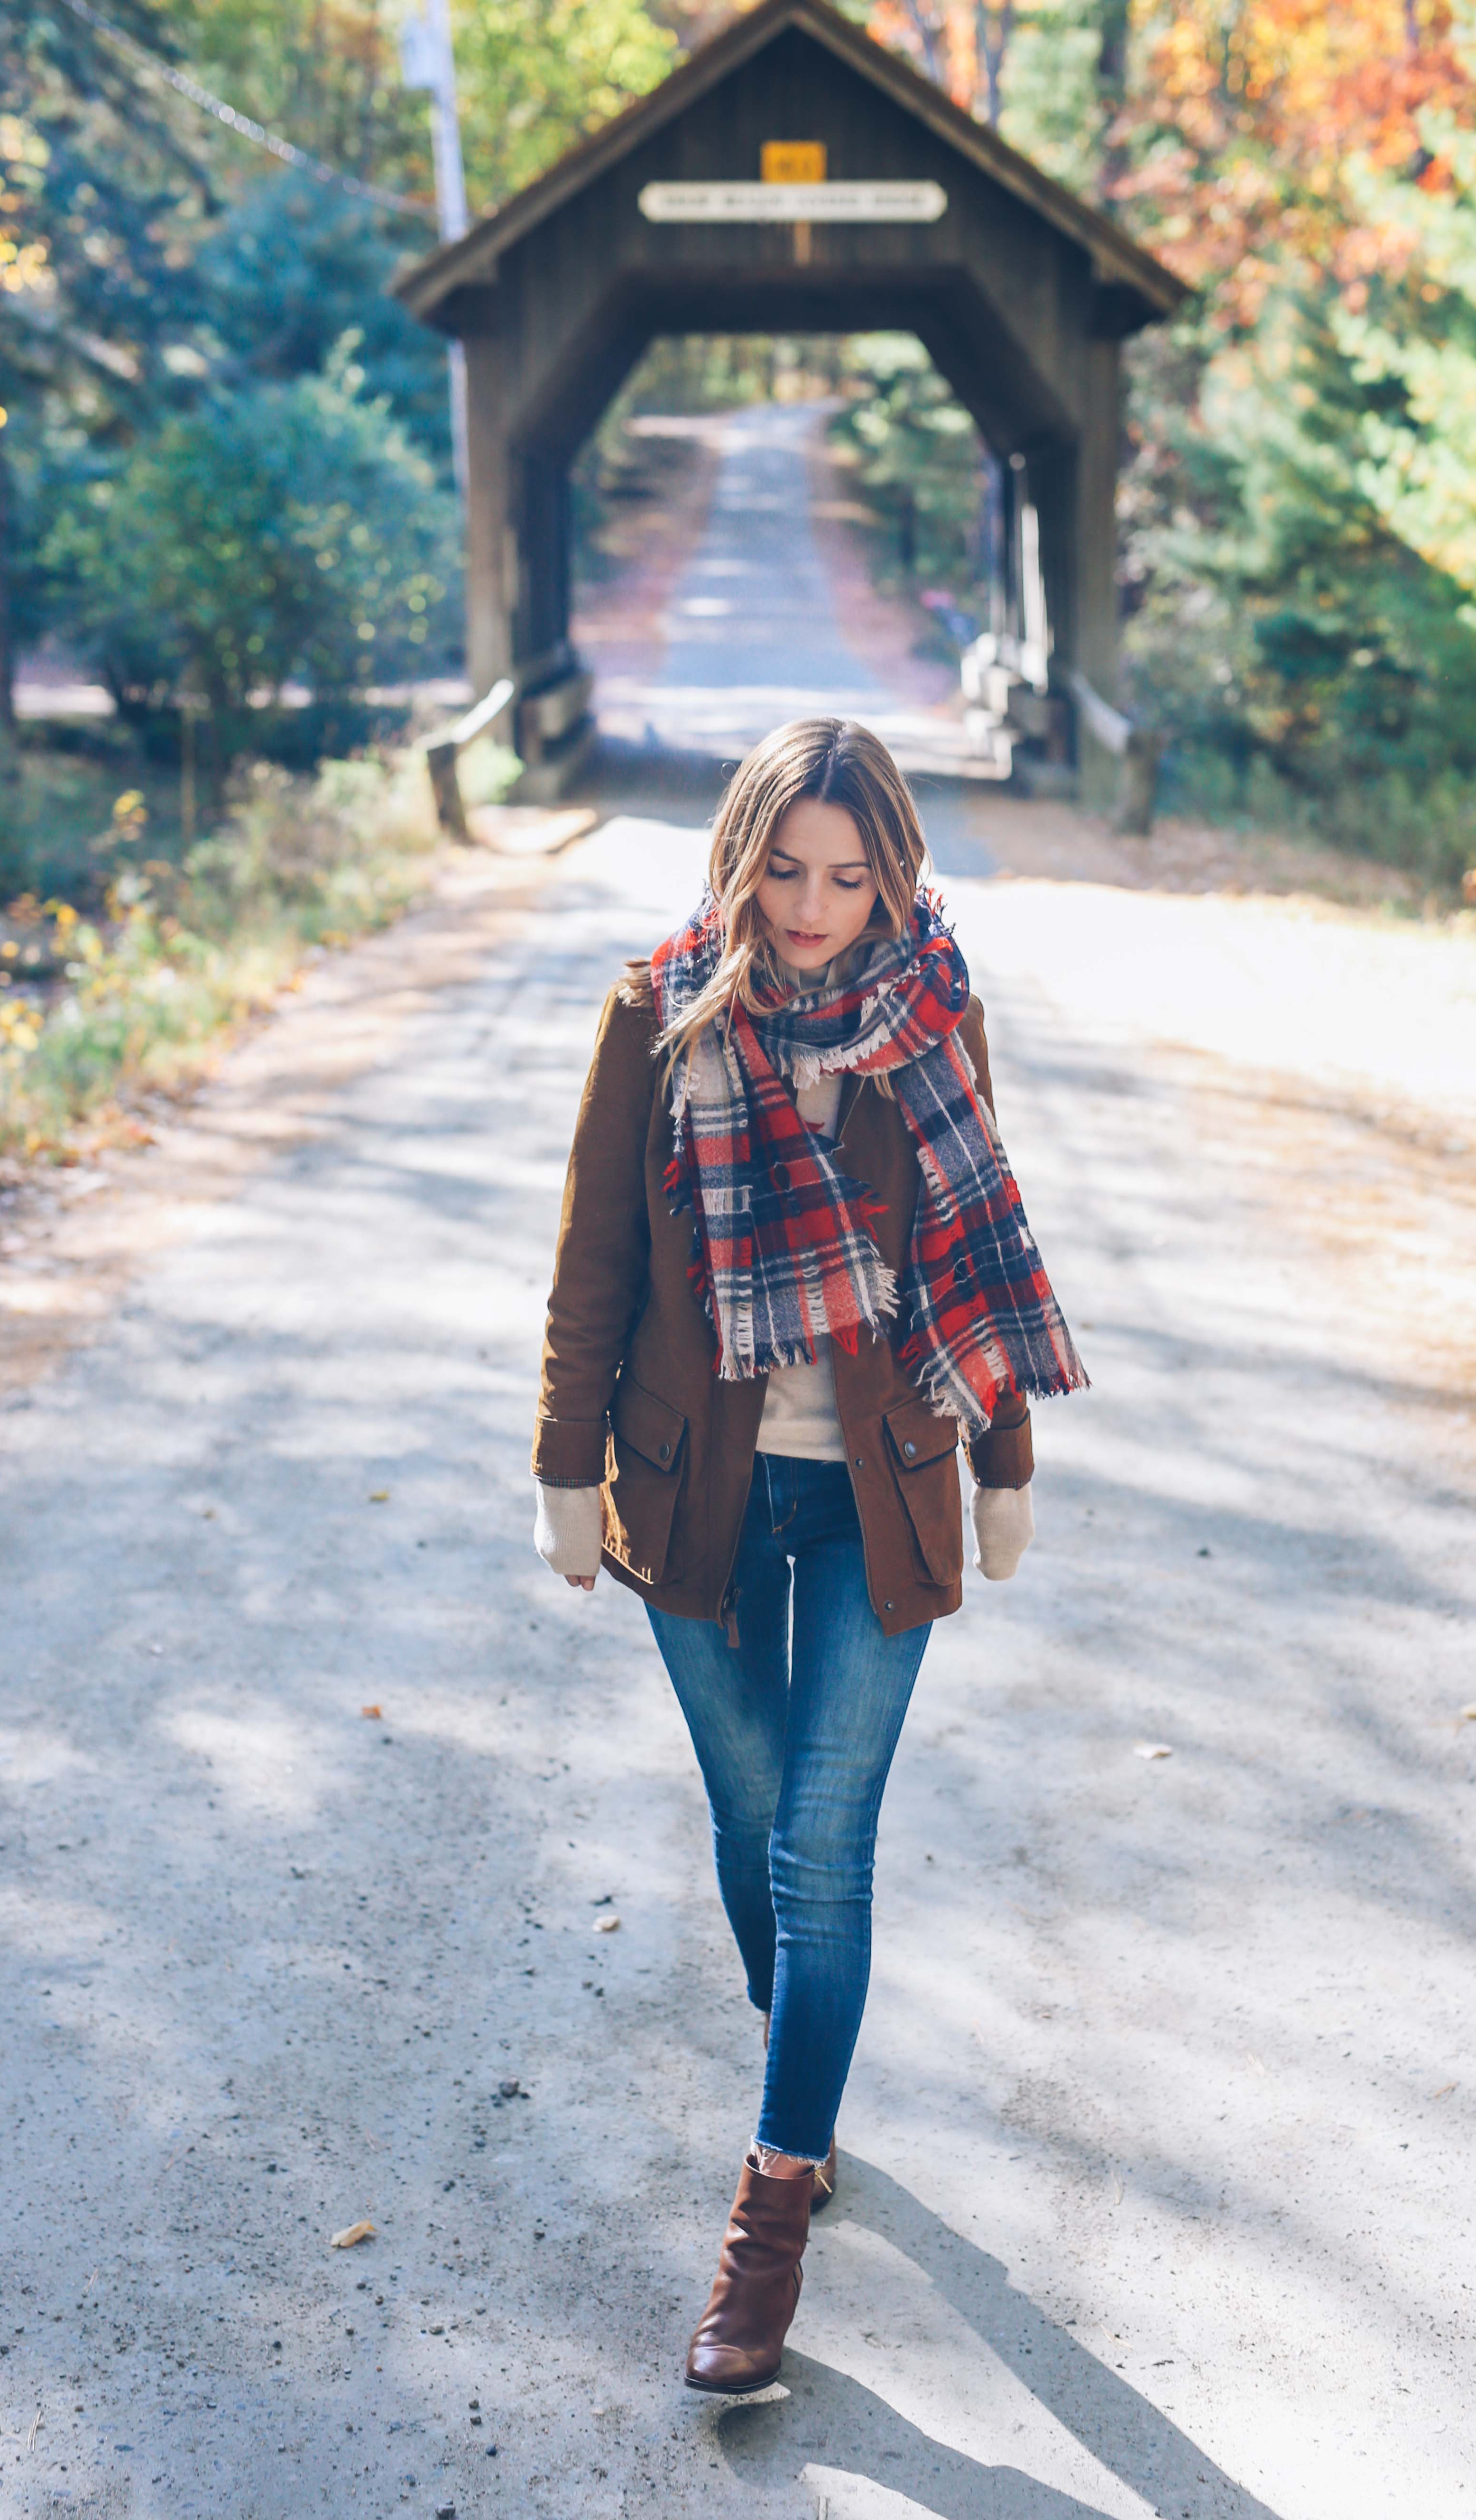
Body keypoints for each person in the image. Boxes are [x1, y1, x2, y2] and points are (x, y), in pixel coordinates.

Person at [531, 717, 1086, 2395]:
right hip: (693, 1485)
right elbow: (593, 1268)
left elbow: (986, 1251)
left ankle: (766, 2223)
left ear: (895, 871)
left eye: (850, 875)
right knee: (755, 1820)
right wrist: (565, 1470)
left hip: (880, 1486)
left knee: (822, 1844)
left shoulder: (938, 1021)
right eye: (787, 868)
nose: (814, 905)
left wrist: (1007, 1458)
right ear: (741, 851)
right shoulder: (656, 1012)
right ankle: (811, 2081)